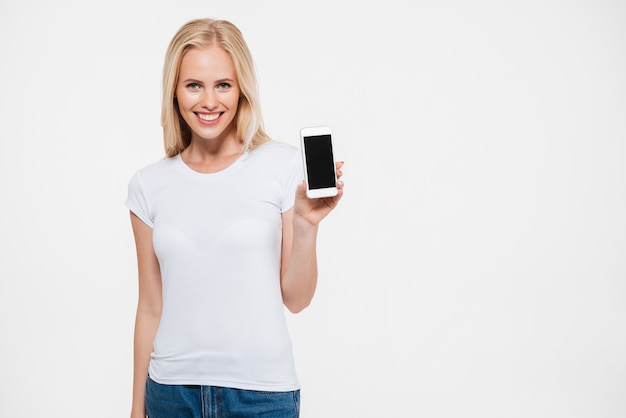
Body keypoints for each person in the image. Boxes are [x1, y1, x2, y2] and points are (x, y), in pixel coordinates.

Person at [125, 18, 344, 418]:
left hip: (262, 397)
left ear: (242, 89)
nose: (209, 101)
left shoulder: (281, 166)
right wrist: (137, 410)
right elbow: (150, 307)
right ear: (174, 91)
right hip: (170, 395)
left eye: (222, 84)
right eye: (194, 85)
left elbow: (297, 299)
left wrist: (305, 226)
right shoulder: (148, 185)